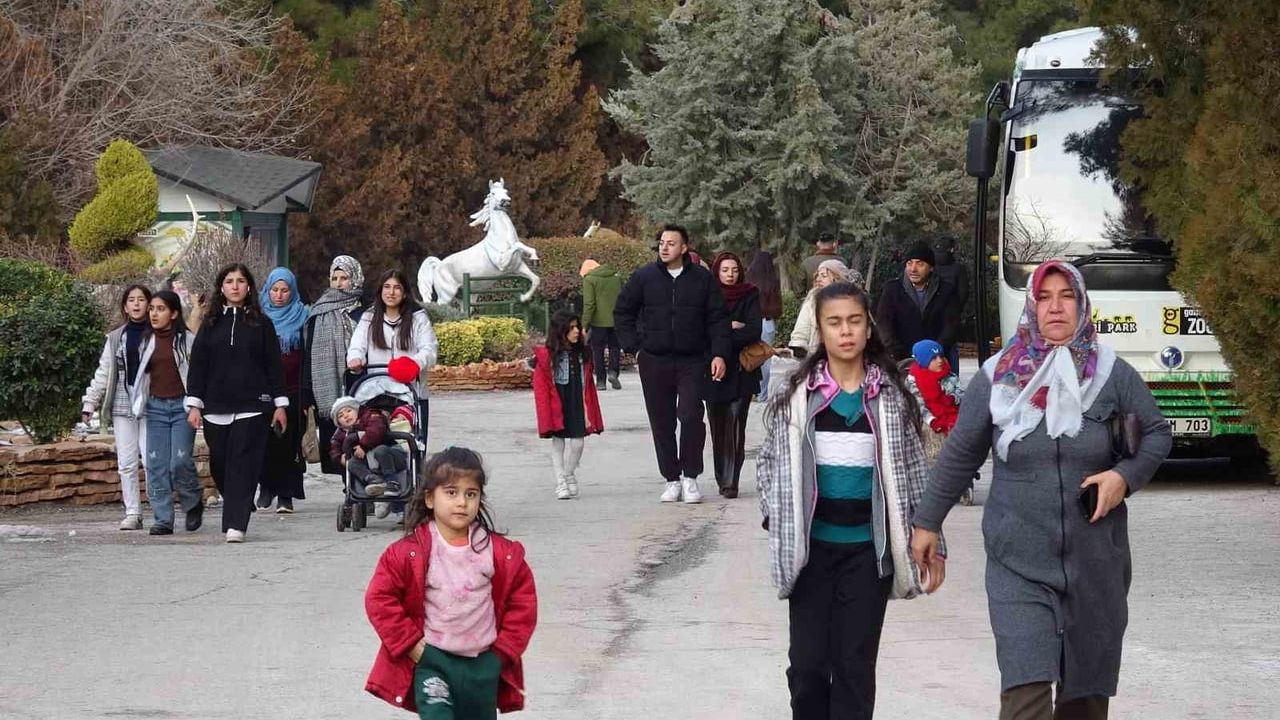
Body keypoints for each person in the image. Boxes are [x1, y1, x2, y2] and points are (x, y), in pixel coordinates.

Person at [910, 261, 1172, 720]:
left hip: (1096, 563)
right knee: (1025, 695)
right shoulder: (997, 377)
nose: (1055, 307)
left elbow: (1156, 433)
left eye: (1066, 296)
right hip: (1019, 562)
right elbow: (960, 454)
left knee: (1085, 701)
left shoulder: (1112, 373)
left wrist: (1123, 477)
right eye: (1045, 297)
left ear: (1082, 304)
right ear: (1031, 305)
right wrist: (927, 522)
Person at [757, 281, 940, 720]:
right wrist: (775, 515)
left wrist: (931, 537)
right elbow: (768, 463)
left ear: (867, 327)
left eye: (855, 321)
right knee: (807, 669)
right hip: (812, 552)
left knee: (855, 667)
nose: (846, 331)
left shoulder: (892, 396)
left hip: (866, 552)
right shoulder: (796, 396)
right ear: (820, 330)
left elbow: (915, 472)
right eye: (834, 322)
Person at [364, 447, 538, 719]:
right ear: (430, 498)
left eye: (471, 494)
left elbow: (523, 605)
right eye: (451, 492)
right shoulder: (409, 553)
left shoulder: (499, 553)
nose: (462, 502)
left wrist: (501, 655)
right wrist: (413, 646)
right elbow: (379, 599)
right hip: (433, 662)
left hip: (483, 665)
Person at [613, 224, 731, 504]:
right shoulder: (644, 277)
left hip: (692, 359)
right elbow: (622, 311)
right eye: (662, 243)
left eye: (671, 243)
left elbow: (718, 319)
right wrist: (635, 348)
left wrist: (719, 354)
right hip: (654, 360)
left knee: (690, 415)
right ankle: (671, 479)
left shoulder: (702, 278)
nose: (664, 247)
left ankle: (691, 476)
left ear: (684, 248)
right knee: (661, 422)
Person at [185, 263, 289, 544]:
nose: (235, 286)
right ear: (221, 287)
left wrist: (280, 405)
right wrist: (194, 404)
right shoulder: (210, 324)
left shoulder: (262, 324)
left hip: (253, 405)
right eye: (229, 281)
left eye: (240, 281)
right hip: (216, 406)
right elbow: (198, 366)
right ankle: (238, 503)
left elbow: (273, 366)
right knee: (220, 464)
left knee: (243, 464)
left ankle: (236, 523)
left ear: (249, 288)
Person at [348, 268, 438, 520]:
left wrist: (414, 363)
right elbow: (357, 345)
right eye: (387, 287)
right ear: (380, 291)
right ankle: (378, 490)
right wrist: (355, 358)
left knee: (408, 442)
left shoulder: (418, 317)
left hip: (409, 391)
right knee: (375, 438)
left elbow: (430, 349)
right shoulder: (369, 317)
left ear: (405, 292)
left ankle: (407, 498)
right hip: (375, 390)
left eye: (397, 287)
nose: (391, 292)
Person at [81, 285, 153, 531]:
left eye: (141, 299)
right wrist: (90, 402)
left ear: (149, 304)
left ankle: (160, 509)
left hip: (151, 403)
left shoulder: (158, 334)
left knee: (152, 459)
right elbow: (104, 372)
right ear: (125, 306)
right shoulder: (115, 338)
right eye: (131, 300)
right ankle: (133, 512)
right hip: (122, 404)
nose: (136, 304)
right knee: (127, 462)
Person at [135, 290, 201, 535]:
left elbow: (197, 375)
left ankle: (192, 501)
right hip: (155, 408)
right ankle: (163, 519)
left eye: (160, 309)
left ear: (173, 313)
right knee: (155, 463)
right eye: (151, 308)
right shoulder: (145, 341)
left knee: (180, 461)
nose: (154, 313)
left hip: (182, 407)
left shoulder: (187, 340)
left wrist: (196, 405)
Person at [705, 252, 762, 499]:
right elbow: (701, 330)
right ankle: (721, 475)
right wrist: (730, 327)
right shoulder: (708, 294)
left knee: (737, 423)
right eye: (725, 270)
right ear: (717, 271)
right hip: (713, 369)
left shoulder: (750, 294)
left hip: (741, 369)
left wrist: (721, 333)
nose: (730, 274)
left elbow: (753, 330)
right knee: (718, 425)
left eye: (734, 270)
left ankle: (731, 480)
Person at [530, 310, 604, 500]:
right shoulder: (548, 356)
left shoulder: (582, 353)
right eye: (571, 328)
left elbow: (587, 380)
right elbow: (541, 386)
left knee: (578, 443)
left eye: (577, 327)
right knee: (558, 444)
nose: (576, 331)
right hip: (557, 403)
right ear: (560, 331)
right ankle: (561, 482)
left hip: (577, 401)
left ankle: (569, 473)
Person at [307, 255, 366, 477]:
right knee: (339, 441)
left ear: (356, 279)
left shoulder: (366, 310)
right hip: (330, 388)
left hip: (360, 382)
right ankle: (350, 488)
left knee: (364, 435)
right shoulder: (318, 312)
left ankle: (363, 482)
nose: (339, 283)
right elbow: (309, 353)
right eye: (335, 278)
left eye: (345, 278)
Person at [258, 267, 309, 514]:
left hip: (293, 389)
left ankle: (286, 495)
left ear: (293, 291)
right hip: (263, 389)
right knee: (265, 441)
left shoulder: (303, 316)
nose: (278, 295)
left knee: (289, 442)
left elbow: (308, 355)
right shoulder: (257, 316)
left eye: (284, 290)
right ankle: (266, 487)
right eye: (274, 290)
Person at [873, 241, 961, 362]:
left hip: (937, 359)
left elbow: (951, 326)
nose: (913, 269)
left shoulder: (946, 290)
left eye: (920, 264)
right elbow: (884, 324)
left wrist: (933, 353)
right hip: (901, 359)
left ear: (931, 268)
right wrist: (898, 353)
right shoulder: (893, 289)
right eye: (909, 263)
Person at [329, 395, 408, 497]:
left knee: (380, 450)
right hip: (369, 463)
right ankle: (373, 480)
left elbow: (376, 430)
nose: (346, 416)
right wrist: (339, 457)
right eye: (340, 416)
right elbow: (334, 445)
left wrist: (363, 446)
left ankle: (392, 482)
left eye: (348, 411)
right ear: (339, 423)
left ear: (357, 410)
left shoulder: (370, 416)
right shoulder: (342, 432)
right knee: (352, 463)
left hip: (391, 455)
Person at [788, 259, 864, 357]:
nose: (818, 279)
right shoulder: (812, 301)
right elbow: (800, 332)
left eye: (824, 276)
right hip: (816, 358)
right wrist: (799, 348)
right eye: (818, 275)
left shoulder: (852, 301)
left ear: (836, 277)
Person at [903, 339, 961, 468]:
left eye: (941, 356)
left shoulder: (949, 377)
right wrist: (931, 421)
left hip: (952, 420)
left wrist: (953, 398)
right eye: (933, 358)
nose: (940, 360)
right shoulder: (913, 381)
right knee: (934, 458)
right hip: (929, 424)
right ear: (923, 361)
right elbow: (918, 404)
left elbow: (961, 393)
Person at [580, 258, 623, 391]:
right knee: (615, 348)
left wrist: (584, 325)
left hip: (598, 322)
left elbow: (589, 304)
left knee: (597, 350)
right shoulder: (616, 277)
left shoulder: (589, 280)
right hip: (617, 320)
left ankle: (600, 381)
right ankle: (613, 372)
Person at [745, 251, 783, 402]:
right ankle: (762, 394)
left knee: (748, 355)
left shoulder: (748, 279)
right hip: (767, 322)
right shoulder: (772, 280)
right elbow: (777, 307)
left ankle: (750, 390)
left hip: (749, 321)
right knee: (766, 358)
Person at [932, 235, 969, 374]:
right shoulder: (958, 269)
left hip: (931, 315)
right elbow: (963, 293)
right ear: (952, 249)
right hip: (951, 316)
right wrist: (956, 309)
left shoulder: (931, 267)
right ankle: (953, 381)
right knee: (950, 348)